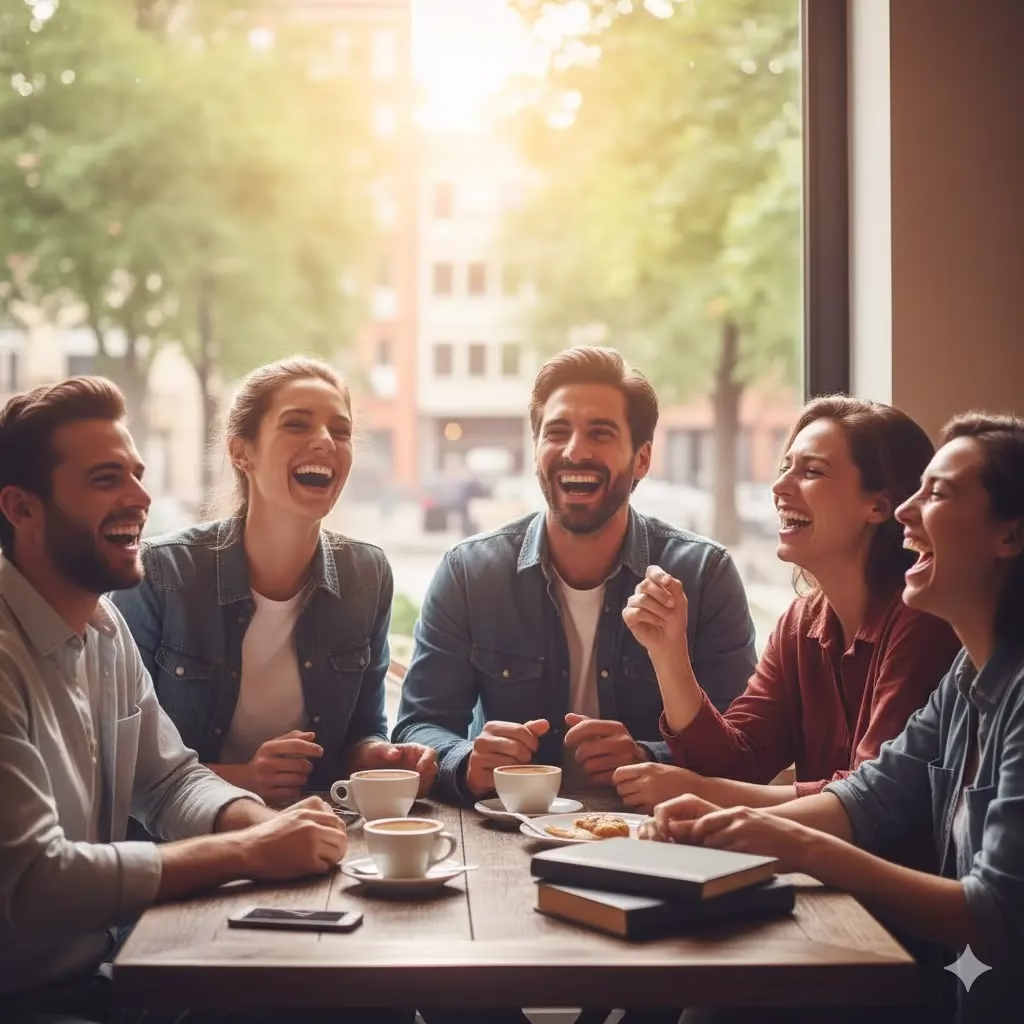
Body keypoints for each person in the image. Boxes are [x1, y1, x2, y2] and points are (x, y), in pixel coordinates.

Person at [648, 412, 1024, 1024]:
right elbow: (865, 799)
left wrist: (781, 836)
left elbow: (993, 916)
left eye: (938, 493)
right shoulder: (966, 681)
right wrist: (735, 819)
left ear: (1009, 535)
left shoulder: (959, 654)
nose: (908, 510)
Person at [0, 378, 353, 1022]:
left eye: (136, 475)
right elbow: (34, 884)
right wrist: (247, 852)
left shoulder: (105, 630)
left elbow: (167, 783)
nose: (141, 497)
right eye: (107, 480)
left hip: (116, 975)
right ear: (23, 509)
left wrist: (266, 825)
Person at [393, 345, 756, 803]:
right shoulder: (469, 573)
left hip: (656, 836)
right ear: (536, 450)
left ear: (641, 459)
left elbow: (742, 743)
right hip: (504, 834)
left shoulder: (705, 575)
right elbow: (417, 726)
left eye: (600, 434)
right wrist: (465, 761)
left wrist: (649, 757)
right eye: (557, 432)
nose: (574, 451)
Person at [111, 357, 437, 808]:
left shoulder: (367, 574)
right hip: (183, 849)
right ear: (241, 452)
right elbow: (118, 761)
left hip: (317, 836)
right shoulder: (161, 573)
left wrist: (381, 757)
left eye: (340, 431)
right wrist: (241, 780)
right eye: (297, 425)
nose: (325, 441)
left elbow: (361, 733)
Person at [614, 397, 962, 818]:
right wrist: (668, 653)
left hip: (886, 881)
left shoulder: (924, 620)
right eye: (785, 468)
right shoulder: (800, 624)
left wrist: (706, 794)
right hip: (825, 875)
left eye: (812, 471)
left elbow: (870, 798)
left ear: (880, 506)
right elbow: (737, 762)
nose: (779, 488)